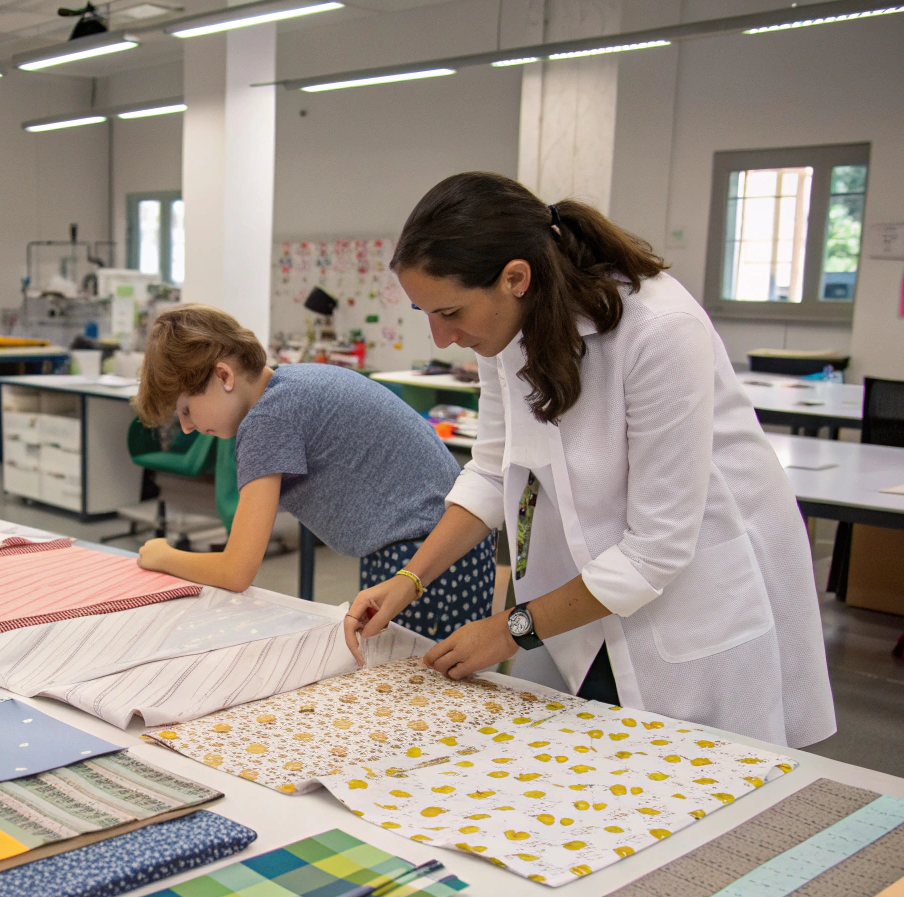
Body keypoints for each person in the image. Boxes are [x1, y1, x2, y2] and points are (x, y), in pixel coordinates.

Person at [346, 171, 835, 749]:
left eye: (449, 312)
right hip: (585, 579)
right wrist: (409, 580)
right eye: (425, 312)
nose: (440, 337)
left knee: (680, 770)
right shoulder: (503, 328)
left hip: (691, 583)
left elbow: (656, 549)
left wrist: (509, 629)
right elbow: (492, 469)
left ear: (516, 278)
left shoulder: (659, 329)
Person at [132, 303, 497, 641]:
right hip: (451, 546)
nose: (187, 428)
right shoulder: (292, 383)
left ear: (224, 375)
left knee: (421, 680)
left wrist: (164, 555)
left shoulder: (267, 420)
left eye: (186, 410)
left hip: (424, 561)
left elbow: (236, 570)